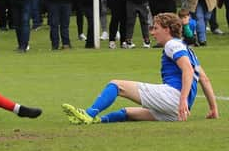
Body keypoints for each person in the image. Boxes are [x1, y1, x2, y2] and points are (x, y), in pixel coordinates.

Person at [62, 12, 219, 124]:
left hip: (174, 98)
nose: (152, 33)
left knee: (116, 85)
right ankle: (98, 121)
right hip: (177, 111)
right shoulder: (189, 51)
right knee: (128, 113)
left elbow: (188, 71)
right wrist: (213, 109)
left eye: (156, 28)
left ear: (167, 29)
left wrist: (182, 99)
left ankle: (88, 115)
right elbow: (204, 79)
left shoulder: (172, 45)